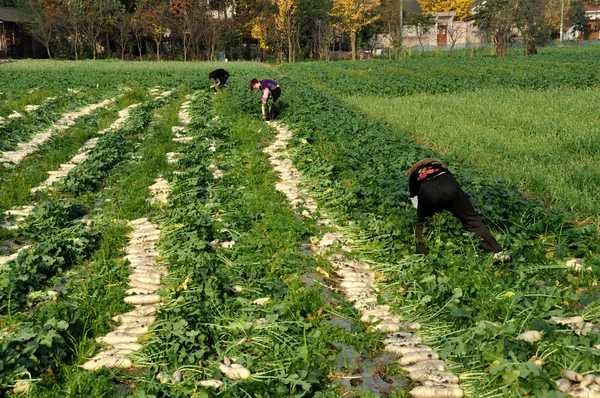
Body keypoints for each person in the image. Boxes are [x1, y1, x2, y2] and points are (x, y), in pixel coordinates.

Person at [408, 158, 510, 263]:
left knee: (421, 224)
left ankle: (421, 257)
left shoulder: (413, 174)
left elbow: (414, 199)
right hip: (449, 185)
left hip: (427, 191)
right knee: (472, 219)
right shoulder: (439, 165)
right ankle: (497, 252)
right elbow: (452, 183)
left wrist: (426, 210)